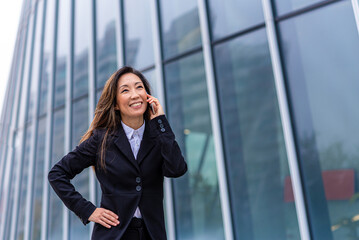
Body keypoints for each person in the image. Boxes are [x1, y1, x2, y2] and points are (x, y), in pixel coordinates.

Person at [48, 66, 187, 240]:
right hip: (113, 235)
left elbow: (177, 169)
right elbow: (57, 174)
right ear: (115, 103)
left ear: (148, 96)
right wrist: (88, 211)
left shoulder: (158, 135)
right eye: (125, 90)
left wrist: (161, 122)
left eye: (139, 87)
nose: (135, 95)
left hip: (152, 234)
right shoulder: (101, 139)